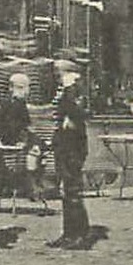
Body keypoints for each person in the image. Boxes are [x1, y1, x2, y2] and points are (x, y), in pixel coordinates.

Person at [47, 59, 92, 249]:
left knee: (73, 190)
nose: (57, 75)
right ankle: (69, 233)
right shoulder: (67, 91)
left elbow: (78, 113)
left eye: (60, 71)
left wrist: (68, 90)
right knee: (67, 191)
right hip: (65, 145)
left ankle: (79, 235)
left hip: (73, 147)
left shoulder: (76, 91)